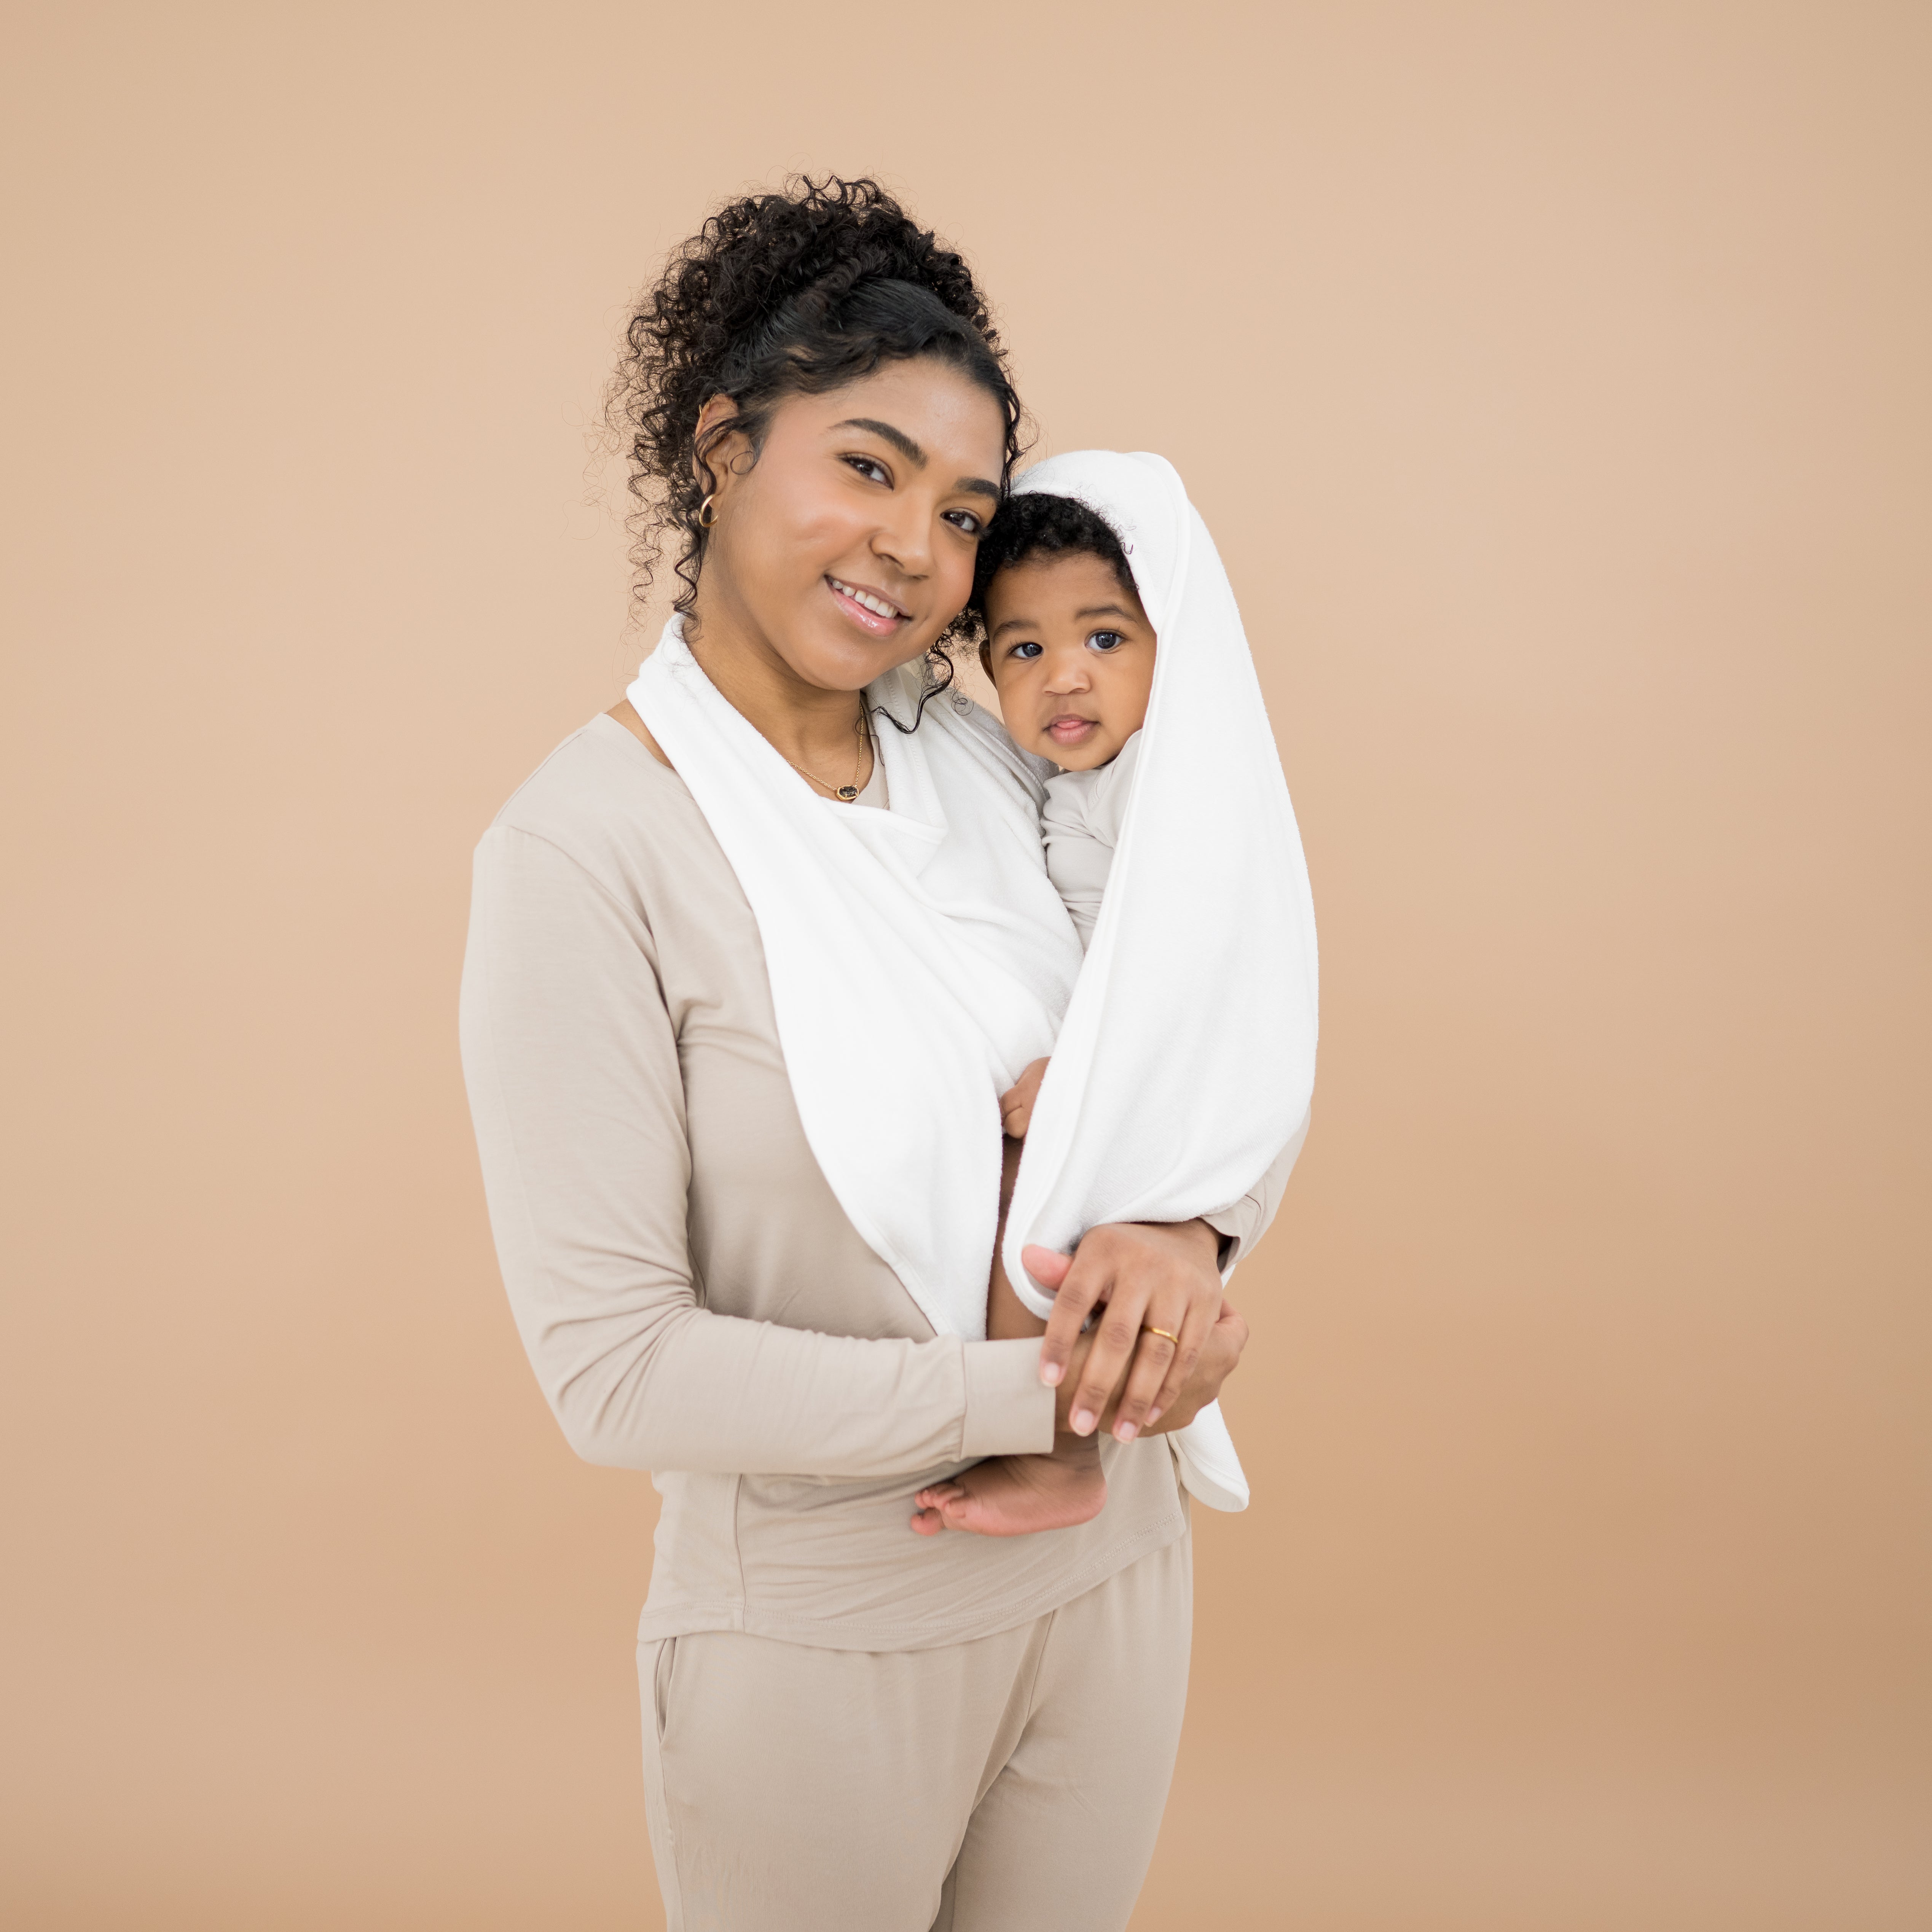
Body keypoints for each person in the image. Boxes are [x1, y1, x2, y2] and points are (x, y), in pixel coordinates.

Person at [460, 177, 1291, 1932]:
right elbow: (616, 1371)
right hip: (829, 1631)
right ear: (718, 447)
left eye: (967, 506)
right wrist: (1056, 1395)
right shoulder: (587, 850)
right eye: (866, 465)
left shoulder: (1004, 746)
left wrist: (1191, 1236)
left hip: (1115, 1577)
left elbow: (1210, 980)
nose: (917, 545)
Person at [913, 465, 1320, 1540]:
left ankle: (1055, 1454)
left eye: (1105, 639)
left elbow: (1175, 968)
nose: (1063, 679)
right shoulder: (1051, 779)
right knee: (1030, 1234)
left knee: (1029, 1228)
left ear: (1170, 646)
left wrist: (1083, 1081)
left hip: (1159, 1082)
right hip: (1115, 1073)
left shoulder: (1167, 787)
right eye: (1023, 650)